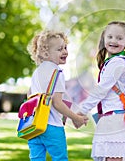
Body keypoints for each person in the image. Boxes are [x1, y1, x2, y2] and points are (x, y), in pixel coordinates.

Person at [79, 21, 125, 161]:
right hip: (118, 119)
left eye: (119, 38)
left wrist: (81, 111)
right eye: (110, 37)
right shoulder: (117, 61)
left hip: (115, 121)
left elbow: (100, 91)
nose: (114, 41)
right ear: (104, 39)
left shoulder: (117, 63)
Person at [27, 29, 88, 161]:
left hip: (34, 126)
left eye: (65, 47)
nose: (65, 52)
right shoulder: (57, 72)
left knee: (36, 158)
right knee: (60, 158)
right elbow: (57, 103)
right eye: (60, 49)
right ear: (45, 53)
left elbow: (29, 96)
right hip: (52, 127)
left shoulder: (37, 72)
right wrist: (75, 118)